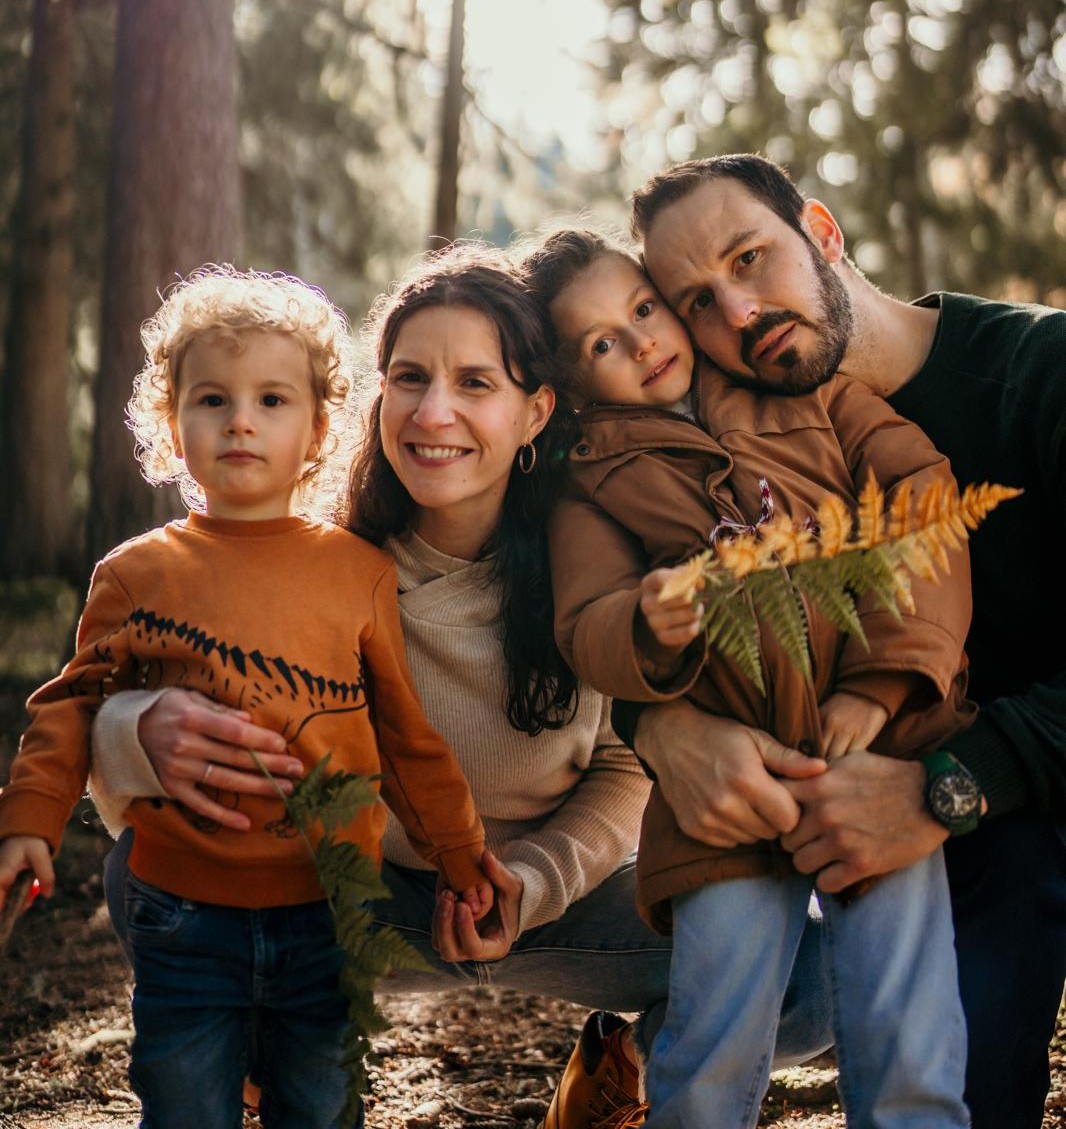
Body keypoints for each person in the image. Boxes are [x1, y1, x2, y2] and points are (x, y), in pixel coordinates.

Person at [620, 153, 1066, 1129]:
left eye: (749, 257)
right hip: (859, 812)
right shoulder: (722, 436)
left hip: (1012, 797)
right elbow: (637, 592)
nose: (739, 312)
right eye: (698, 302)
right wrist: (656, 723)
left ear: (821, 232)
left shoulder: (1043, 373)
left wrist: (944, 789)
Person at [0, 265, 494, 1129]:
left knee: (321, 1104)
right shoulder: (136, 573)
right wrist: (29, 822)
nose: (240, 421)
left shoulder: (357, 572)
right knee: (185, 1104)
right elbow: (71, 706)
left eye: (272, 400)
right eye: (212, 399)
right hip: (180, 912)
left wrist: (461, 855)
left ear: (317, 429)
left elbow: (404, 737)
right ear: (172, 424)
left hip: (327, 910)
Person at [522, 226, 975, 1127]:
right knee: (713, 1033)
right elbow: (585, 621)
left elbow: (924, 505)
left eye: (644, 309)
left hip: (877, 762)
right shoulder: (593, 483)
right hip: (721, 797)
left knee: (904, 1017)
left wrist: (884, 686)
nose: (641, 342)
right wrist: (641, 622)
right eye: (603, 343)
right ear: (570, 384)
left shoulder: (810, 396)